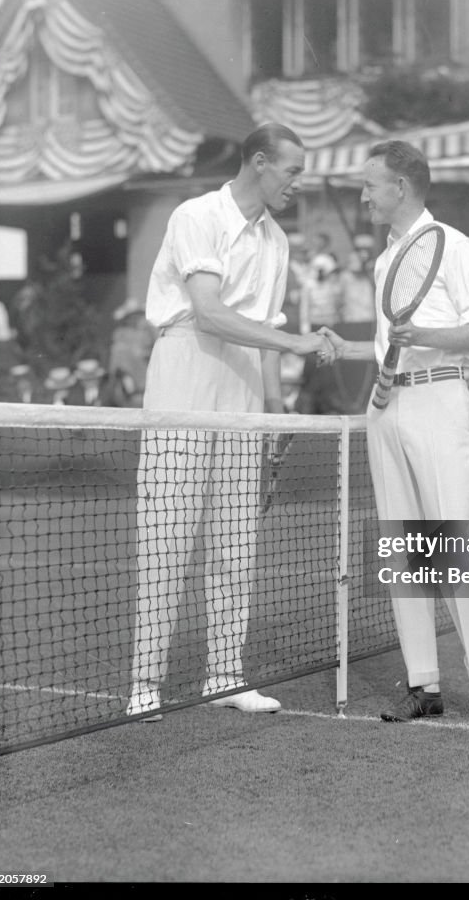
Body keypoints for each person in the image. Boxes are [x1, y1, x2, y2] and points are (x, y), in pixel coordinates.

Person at [128, 123, 334, 722]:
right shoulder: (197, 215)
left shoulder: (277, 240)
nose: (298, 183)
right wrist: (295, 341)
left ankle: (225, 676)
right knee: (167, 534)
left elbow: (262, 334)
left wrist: (274, 411)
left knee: (235, 540)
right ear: (261, 163)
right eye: (293, 171)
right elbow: (211, 314)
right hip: (186, 362)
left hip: (242, 380)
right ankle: (145, 682)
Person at [320, 140, 469, 727]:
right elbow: (392, 346)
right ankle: (423, 684)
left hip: (439, 401)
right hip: (386, 410)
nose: (363, 196)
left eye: (370, 185)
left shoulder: (453, 246)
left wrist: (423, 337)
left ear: (401, 187)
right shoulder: (385, 261)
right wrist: (348, 346)